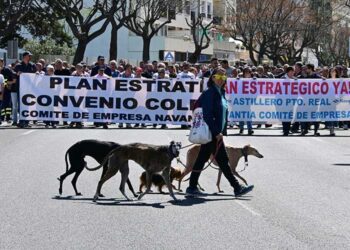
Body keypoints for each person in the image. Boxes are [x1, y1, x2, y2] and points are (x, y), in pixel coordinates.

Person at [186, 67, 254, 197]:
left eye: (224, 77)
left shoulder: (221, 92)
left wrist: (222, 130)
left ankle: (192, 187)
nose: (221, 80)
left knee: (202, 159)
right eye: (218, 77)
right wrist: (216, 132)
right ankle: (237, 187)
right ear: (212, 78)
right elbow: (207, 115)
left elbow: (222, 114)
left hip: (216, 132)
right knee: (223, 160)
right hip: (212, 133)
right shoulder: (209, 93)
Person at [14, 51, 36, 128]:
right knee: (21, 105)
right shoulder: (18, 66)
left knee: (28, 105)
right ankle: (21, 121)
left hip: (29, 89)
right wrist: (17, 74)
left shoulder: (32, 66)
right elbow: (14, 74)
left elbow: (35, 75)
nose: (30, 57)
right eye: (29, 56)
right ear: (24, 57)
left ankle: (26, 121)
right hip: (21, 89)